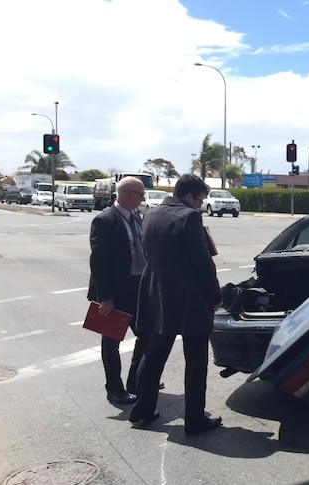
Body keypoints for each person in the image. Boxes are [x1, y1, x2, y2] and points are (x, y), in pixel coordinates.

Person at [129, 175, 223, 435]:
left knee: (154, 353)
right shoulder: (189, 217)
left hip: (156, 292)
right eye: (200, 200)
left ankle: (142, 410)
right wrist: (215, 295)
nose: (201, 206)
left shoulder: (151, 213)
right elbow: (202, 261)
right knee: (195, 359)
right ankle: (194, 419)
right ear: (190, 196)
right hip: (188, 296)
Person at [87, 176, 151, 405]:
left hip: (137, 286)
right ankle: (114, 388)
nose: (143, 199)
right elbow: (99, 263)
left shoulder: (136, 217)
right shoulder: (104, 221)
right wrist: (105, 297)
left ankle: (137, 380)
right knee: (112, 340)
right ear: (127, 194)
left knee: (147, 334)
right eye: (141, 195)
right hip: (114, 292)